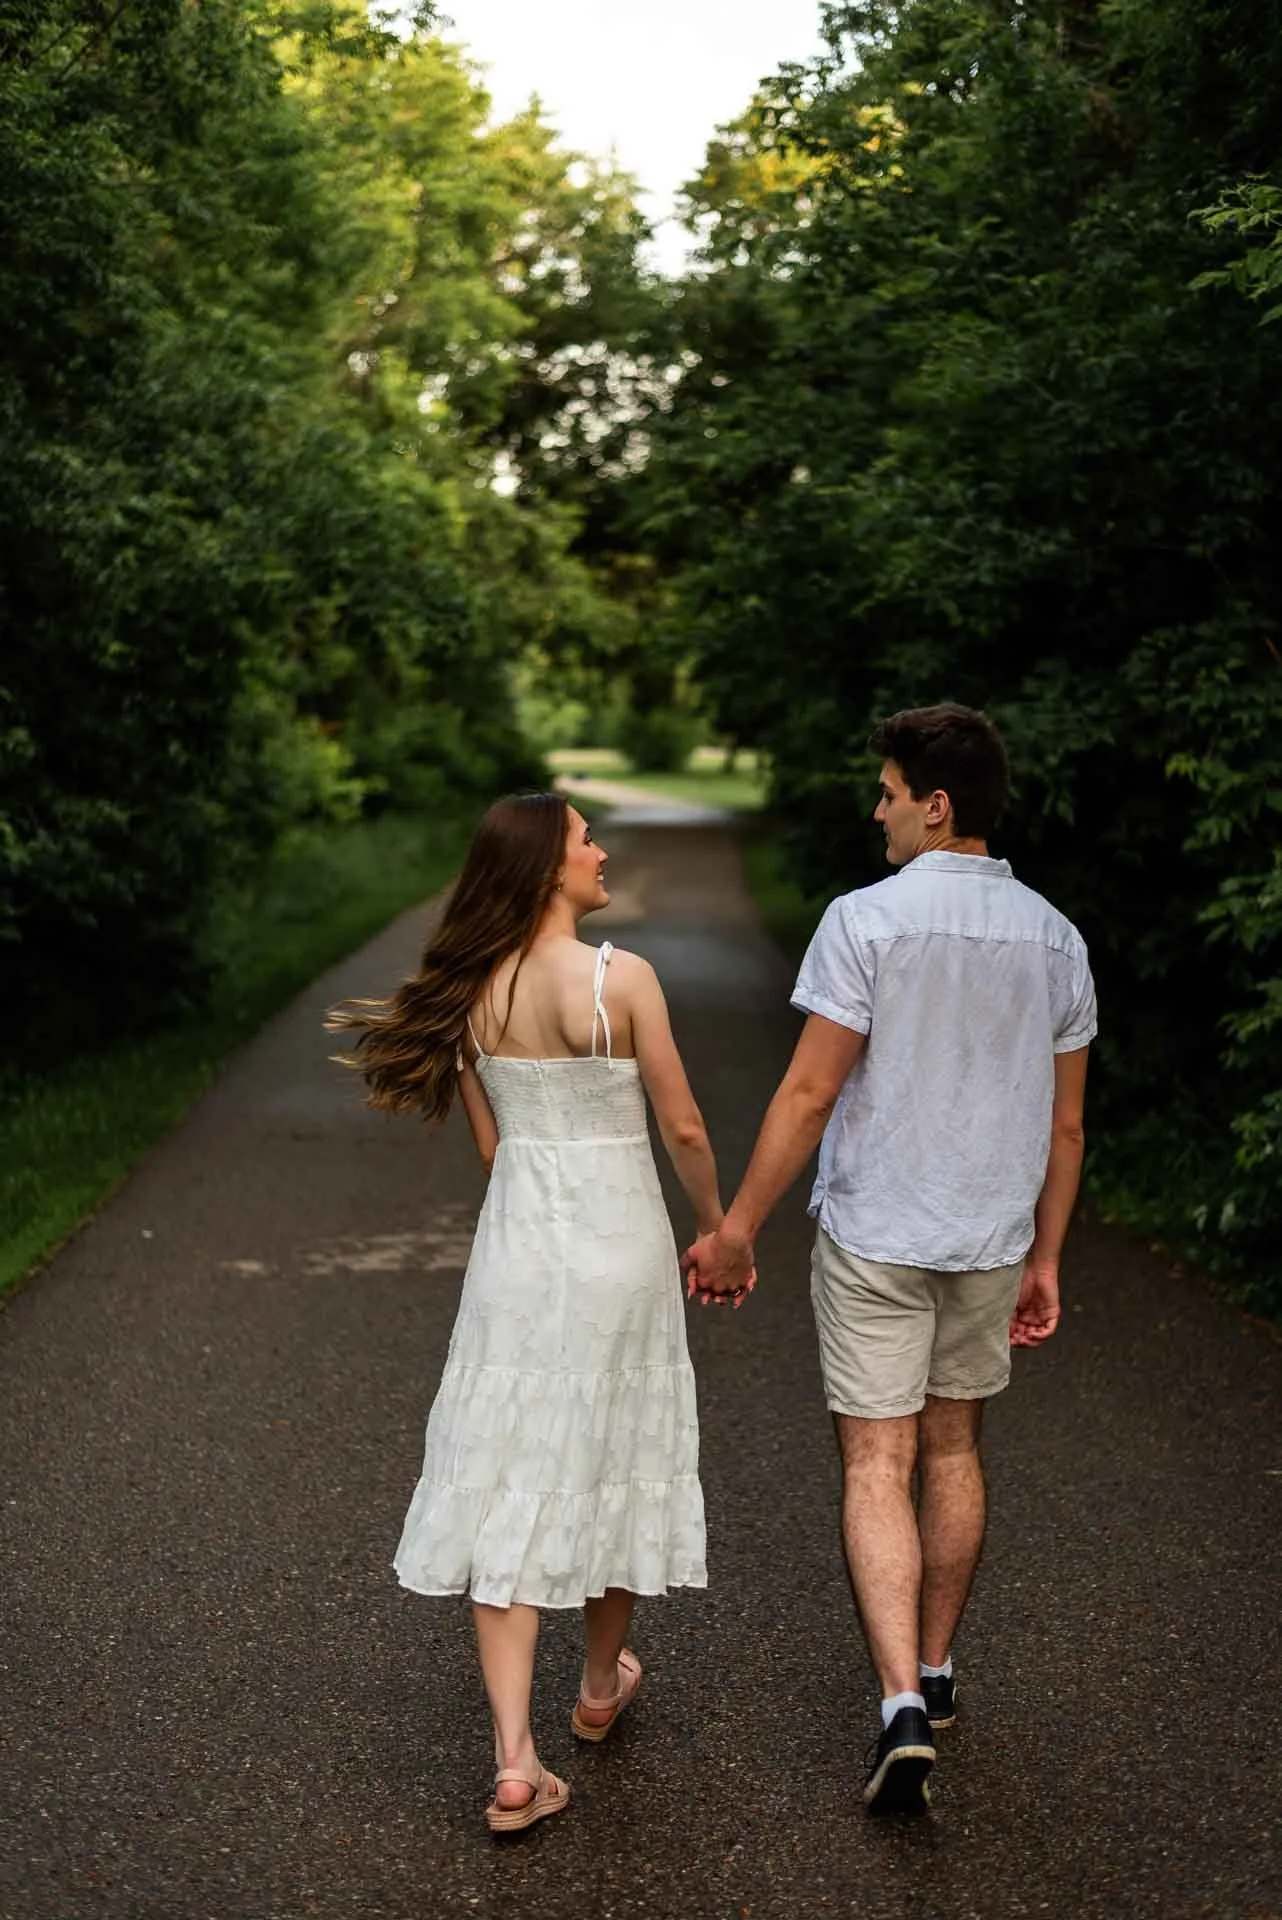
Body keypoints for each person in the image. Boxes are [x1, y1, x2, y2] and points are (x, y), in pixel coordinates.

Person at [685, 702, 1096, 1815]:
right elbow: (1065, 1129)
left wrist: (736, 1229)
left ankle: (898, 1705)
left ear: (936, 805)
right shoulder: (1055, 937)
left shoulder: (864, 922)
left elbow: (813, 1089)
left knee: (877, 1463)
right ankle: (941, 1668)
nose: (877, 810)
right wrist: (1046, 1258)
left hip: (877, 1231)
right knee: (954, 1450)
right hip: (988, 1238)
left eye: (886, 791)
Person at [328, 792, 726, 1833]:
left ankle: (515, 1761)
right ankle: (598, 1687)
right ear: (549, 863)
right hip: (619, 1252)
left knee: (508, 1467)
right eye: (587, 837)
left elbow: (498, 1153)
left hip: (519, 1254)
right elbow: (680, 1124)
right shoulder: (619, 980)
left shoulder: (469, 992)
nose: (601, 851)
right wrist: (719, 1226)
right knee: (612, 1451)